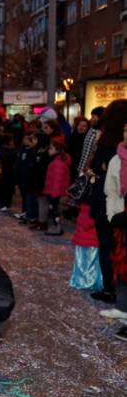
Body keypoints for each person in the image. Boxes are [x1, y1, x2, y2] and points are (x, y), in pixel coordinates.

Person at [88, 100, 127, 304]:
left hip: (106, 202)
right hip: (117, 202)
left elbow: (96, 168)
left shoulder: (106, 143)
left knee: (106, 245)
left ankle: (110, 288)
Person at [100, 122, 127, 341]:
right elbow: (110, 191)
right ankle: (123, 310)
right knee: (122, 267)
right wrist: (112, 216)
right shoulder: (117, 159)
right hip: (122, 219)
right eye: (126, 130)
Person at [41, 140, 71, 236]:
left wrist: (54, 194)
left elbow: (58, 180)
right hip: (54, 191)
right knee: (54, 210)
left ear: (57, 150)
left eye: (51, 148)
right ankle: (55, 227)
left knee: (55, 211)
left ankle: (56, 228)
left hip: (56, 193)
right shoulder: (56, 161)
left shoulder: (58, 163)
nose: (48, 150)